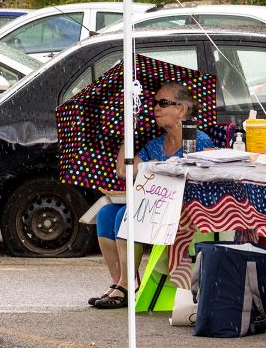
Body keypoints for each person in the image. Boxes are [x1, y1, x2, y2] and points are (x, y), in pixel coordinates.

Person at [88, 81, 211, 310]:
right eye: (155, 103)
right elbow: (124, 171)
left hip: (182, 208)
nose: (155, 108)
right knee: (106, 214)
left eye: (163, 103)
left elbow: (195, 177)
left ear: (182, 110)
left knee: (126, 214)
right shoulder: (155, 144)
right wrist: (128, 133)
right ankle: (120, 283)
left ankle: (125, 285)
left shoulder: (196, 140)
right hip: (154, 204)